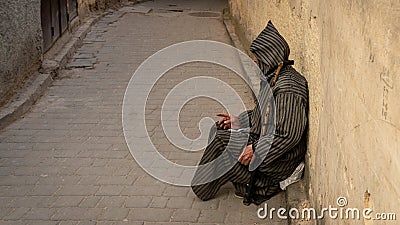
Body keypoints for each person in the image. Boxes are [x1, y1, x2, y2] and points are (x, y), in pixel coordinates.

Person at [191, 21, 309, 205]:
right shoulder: (273, 79)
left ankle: (260, 185)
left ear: (268, 57)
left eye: (256, 59)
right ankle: (239, 179)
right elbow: (261, 114)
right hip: (267, 141)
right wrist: (240, 122)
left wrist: (255, 149)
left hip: (280, 162)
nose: (254, 63)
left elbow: (288, 135)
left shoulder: (288, 89)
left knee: (222, 142)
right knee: (219, 128)